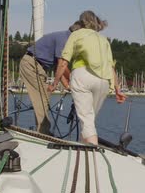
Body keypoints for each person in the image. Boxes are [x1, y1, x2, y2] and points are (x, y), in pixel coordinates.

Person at [49, 10, 126, 145]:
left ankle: (91, 151)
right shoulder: (104, 40)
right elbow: (111, 67)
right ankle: (84, 146)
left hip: (83, 77)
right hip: (103, 82)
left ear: (81, 21)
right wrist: (117, 89)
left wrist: (55, 82)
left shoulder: (77, 34)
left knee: (86, 120)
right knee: (89, 120)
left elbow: (63, 62)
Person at [19, 22, 81, 134]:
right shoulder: (64, 40)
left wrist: (67, 85)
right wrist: (74, 80)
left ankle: (42, 130)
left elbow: (59, 68)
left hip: (36, 65)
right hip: (32, 65)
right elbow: (62, 64)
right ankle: (43, 132)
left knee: (45, 95)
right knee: (42, 97)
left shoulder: (63, 37)